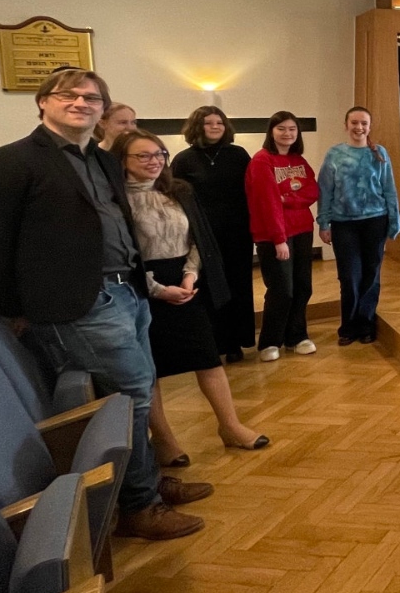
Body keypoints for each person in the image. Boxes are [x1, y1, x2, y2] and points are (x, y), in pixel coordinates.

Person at [0, 68, 208, 540]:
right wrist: (18, 307)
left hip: (127, 292)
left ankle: (148, 481)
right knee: (132, 393)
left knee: (137, 391)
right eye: (68, 94)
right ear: (42, 102)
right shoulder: (6, 162)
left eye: (93, 97)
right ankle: (139, 506)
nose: (81, 102)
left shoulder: (104, 160)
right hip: (78, 302)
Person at [112, 130, 269, 456]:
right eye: (143, 156)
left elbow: (199, 237)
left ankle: (231, 426)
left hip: (186, 283)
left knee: (208, 358)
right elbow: (120, 252)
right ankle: (166, 441)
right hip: (142, 287)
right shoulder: (114, 200)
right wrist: (155, 288)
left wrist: (189, 274)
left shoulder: (179, 190)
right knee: (151, 368)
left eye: (159, 154)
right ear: (122, 161)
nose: (154, 161)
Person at [171, 106, 255, 361]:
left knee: (238, 285)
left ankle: (236, 343)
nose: (215, 126)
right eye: (209, 123)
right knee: (209, 288)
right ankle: (212, 343)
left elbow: (253, 190)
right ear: (198, 126)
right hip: (203, 234)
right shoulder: (184, 159)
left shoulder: (239, 154)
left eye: (219, 122)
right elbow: (175, 197)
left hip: (238, 231)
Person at [317, 106, 400, 346]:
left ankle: (366, 324)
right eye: (354, 123)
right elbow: (324, 190)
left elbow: (389, 190)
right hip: (344, 225)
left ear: (369, 126)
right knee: (349, 276)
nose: (359, 127)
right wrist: (323, 222)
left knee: (371, 275)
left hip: (376, 221)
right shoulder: (335, 154)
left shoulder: (379, 153)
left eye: (363, 123)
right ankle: (348, 326)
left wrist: (394, 221)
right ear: (346, 125)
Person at [246, 110, 320, 361]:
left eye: (292, 129)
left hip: (302, 230)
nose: (287, 134)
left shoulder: (298, 159)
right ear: (271, 132)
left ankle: (296, 336)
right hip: (274, 235)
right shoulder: (261, 161)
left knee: (303, 286)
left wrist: (287, 197)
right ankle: (270, 341)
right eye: (281, 129)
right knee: (282, 290)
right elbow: (267, 203)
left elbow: (312, 191)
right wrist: (279, 239)